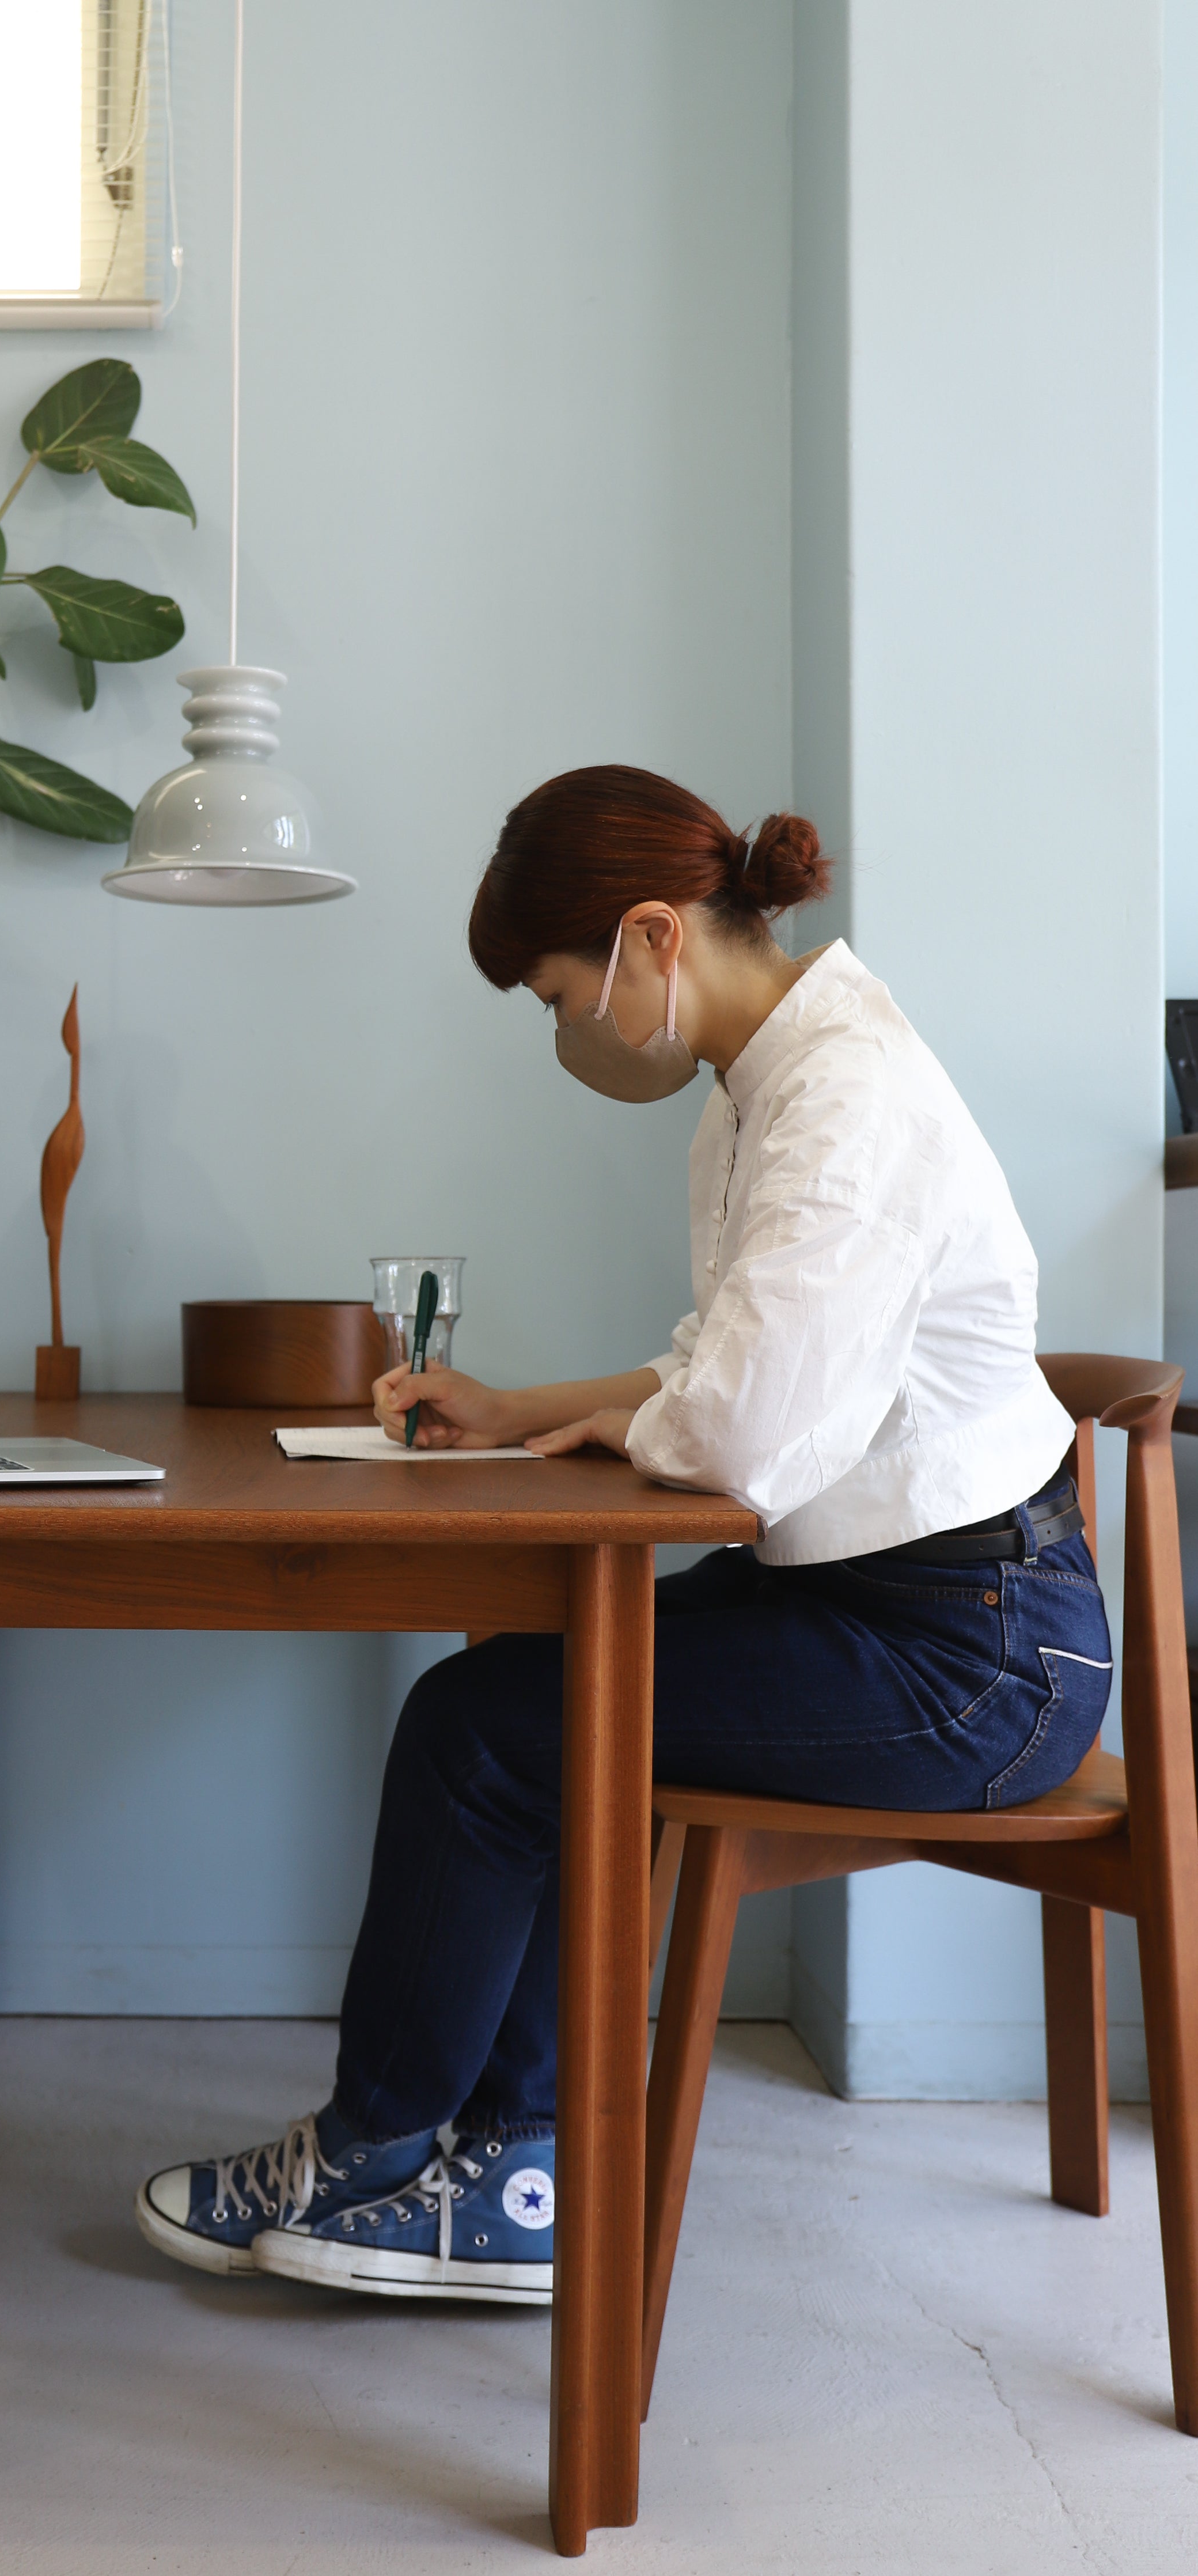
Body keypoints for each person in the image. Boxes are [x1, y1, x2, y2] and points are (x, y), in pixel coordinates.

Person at [135, 764, 1110, 2307]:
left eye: (554, 993)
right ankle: (483, 2153)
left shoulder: (842, 1105)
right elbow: (717, 1370)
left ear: (653, 937)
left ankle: (409, 2151)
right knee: (531, 1690)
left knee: (491, 1725)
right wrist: (525, 1410)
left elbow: (734, 1440)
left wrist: (631, 1416)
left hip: (974, 1659)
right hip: (905, 1608)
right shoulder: (771, 1087)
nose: (560, 1032)